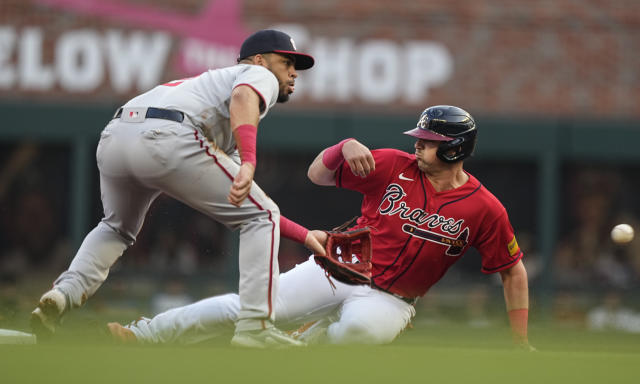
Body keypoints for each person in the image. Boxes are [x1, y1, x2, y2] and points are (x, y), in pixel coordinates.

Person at [108, 105, 534, 349]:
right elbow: (318, 175)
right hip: (337, 268)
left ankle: (299, 345)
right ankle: (143, 335)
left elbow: (512, 269)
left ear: (455, 148)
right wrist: (340, 147)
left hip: (392, 300)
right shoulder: (392, 164)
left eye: (429, 141)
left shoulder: (483, 208)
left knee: (357, 335)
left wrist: (519, 340)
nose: (418, 144)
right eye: (420, 138)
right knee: (248, 306)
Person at [30, 29, 324, 348]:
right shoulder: (256, 74)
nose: (293, 72)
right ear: (260, 59)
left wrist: (305, 236)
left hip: (116, 135)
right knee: (261, 215)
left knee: (116, 229)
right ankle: (255, 328)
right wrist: (251, 160)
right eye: (286, 62)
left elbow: (253, 205)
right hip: (168, 133)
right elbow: (243, 98)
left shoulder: (208, 95)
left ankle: (62, 294)